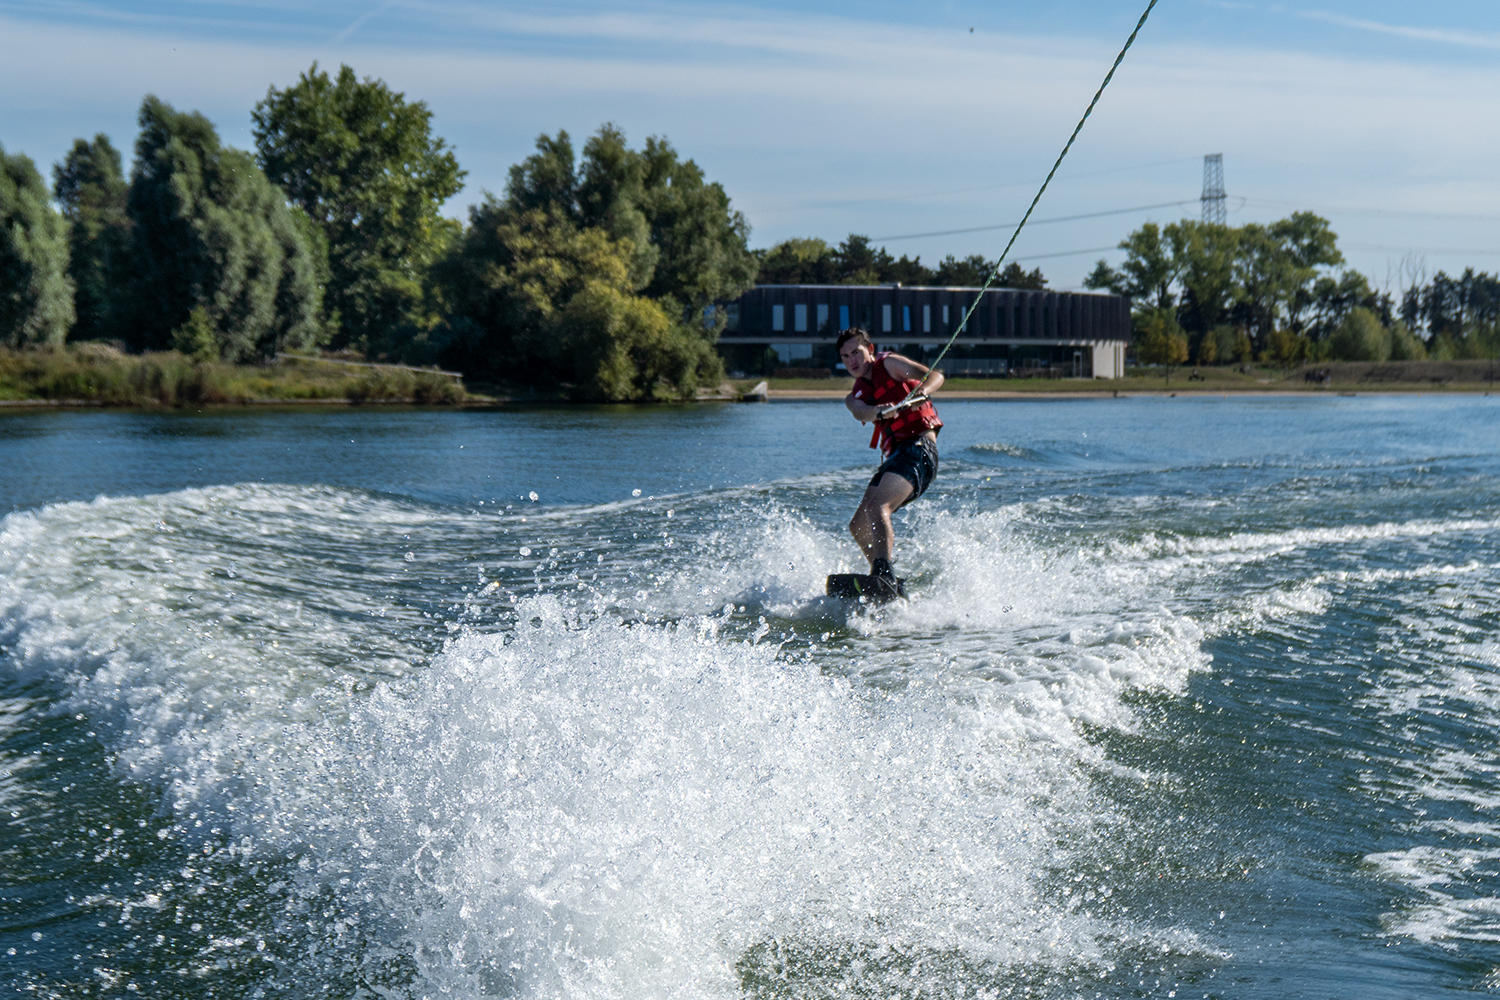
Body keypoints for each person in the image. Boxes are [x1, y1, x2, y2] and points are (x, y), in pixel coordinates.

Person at [836, 327, 944, 599]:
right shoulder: (854, 397)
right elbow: (860, 410)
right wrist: (879, 411)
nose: (852, 361)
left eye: (856, 353)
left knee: (877, 507)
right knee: (858, 525)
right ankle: (887, 581)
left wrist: (919, 395)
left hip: (920, 450)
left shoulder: (892, 364)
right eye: (845, 356)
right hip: (897, 456)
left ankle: (884, 573)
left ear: (869, 350)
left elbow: (935, 376)